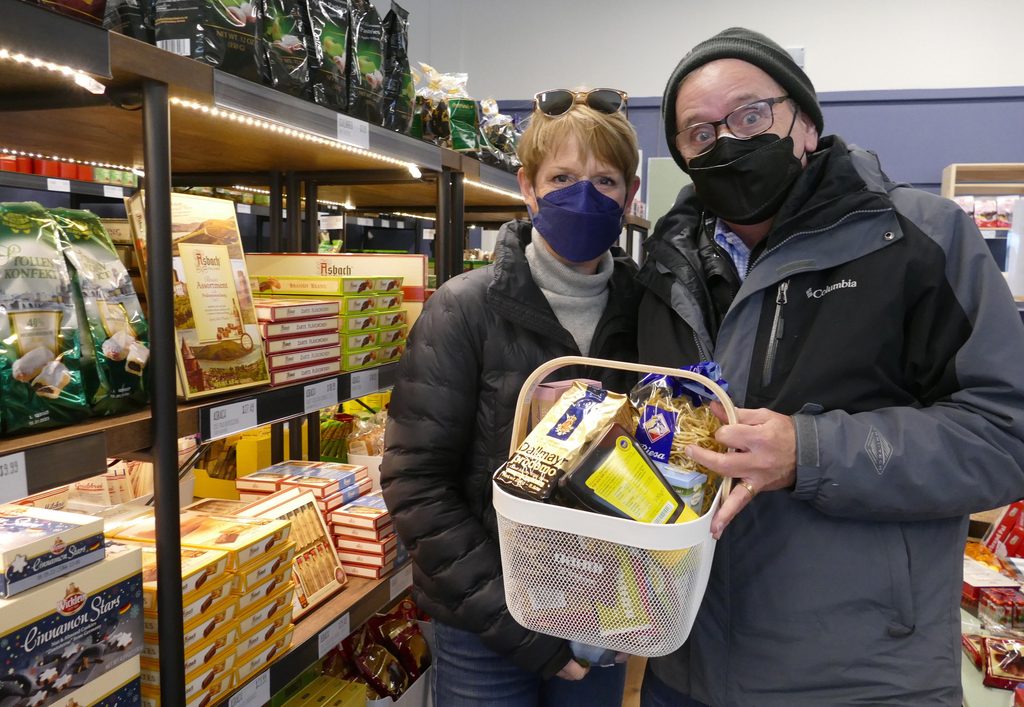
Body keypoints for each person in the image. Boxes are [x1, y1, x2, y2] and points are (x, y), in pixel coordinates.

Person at [636, 27, 1024, 707]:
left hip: (859, 676)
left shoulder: (918, 240)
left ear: (806, 122)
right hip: (687, 664)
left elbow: (1005, 434)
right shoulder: (664, 267)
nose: (726, 141)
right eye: (700, 132)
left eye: (751, 116)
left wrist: (809, 452)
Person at [380, 87, 643, 707]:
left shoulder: (647, 314)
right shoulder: (463, 309)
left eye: (605, 181)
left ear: (631, 197)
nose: (584, 195)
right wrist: (513, 619)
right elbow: (416, 484)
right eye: (562, 177)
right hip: (485, 626)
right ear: (527, 188)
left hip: (603, 609)